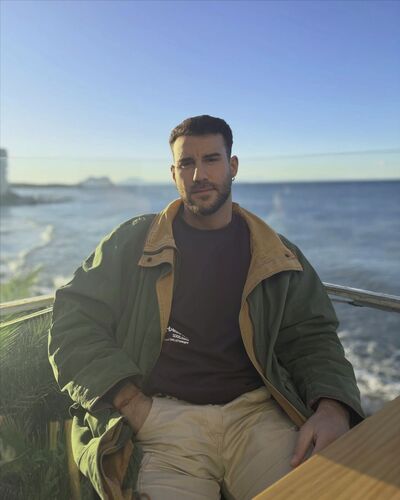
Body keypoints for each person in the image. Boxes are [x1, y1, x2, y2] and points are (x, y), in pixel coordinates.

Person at [49, 115, 364, 500]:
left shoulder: (275, 253)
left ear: (233, 166)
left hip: (257, 418)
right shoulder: (133, 242)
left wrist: (333, 407)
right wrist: (131, 402)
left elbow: (312, 337)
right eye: (186, 163)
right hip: (163, 423)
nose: (199, 174)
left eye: (211, 159)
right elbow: (72, 319)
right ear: (173, 174)